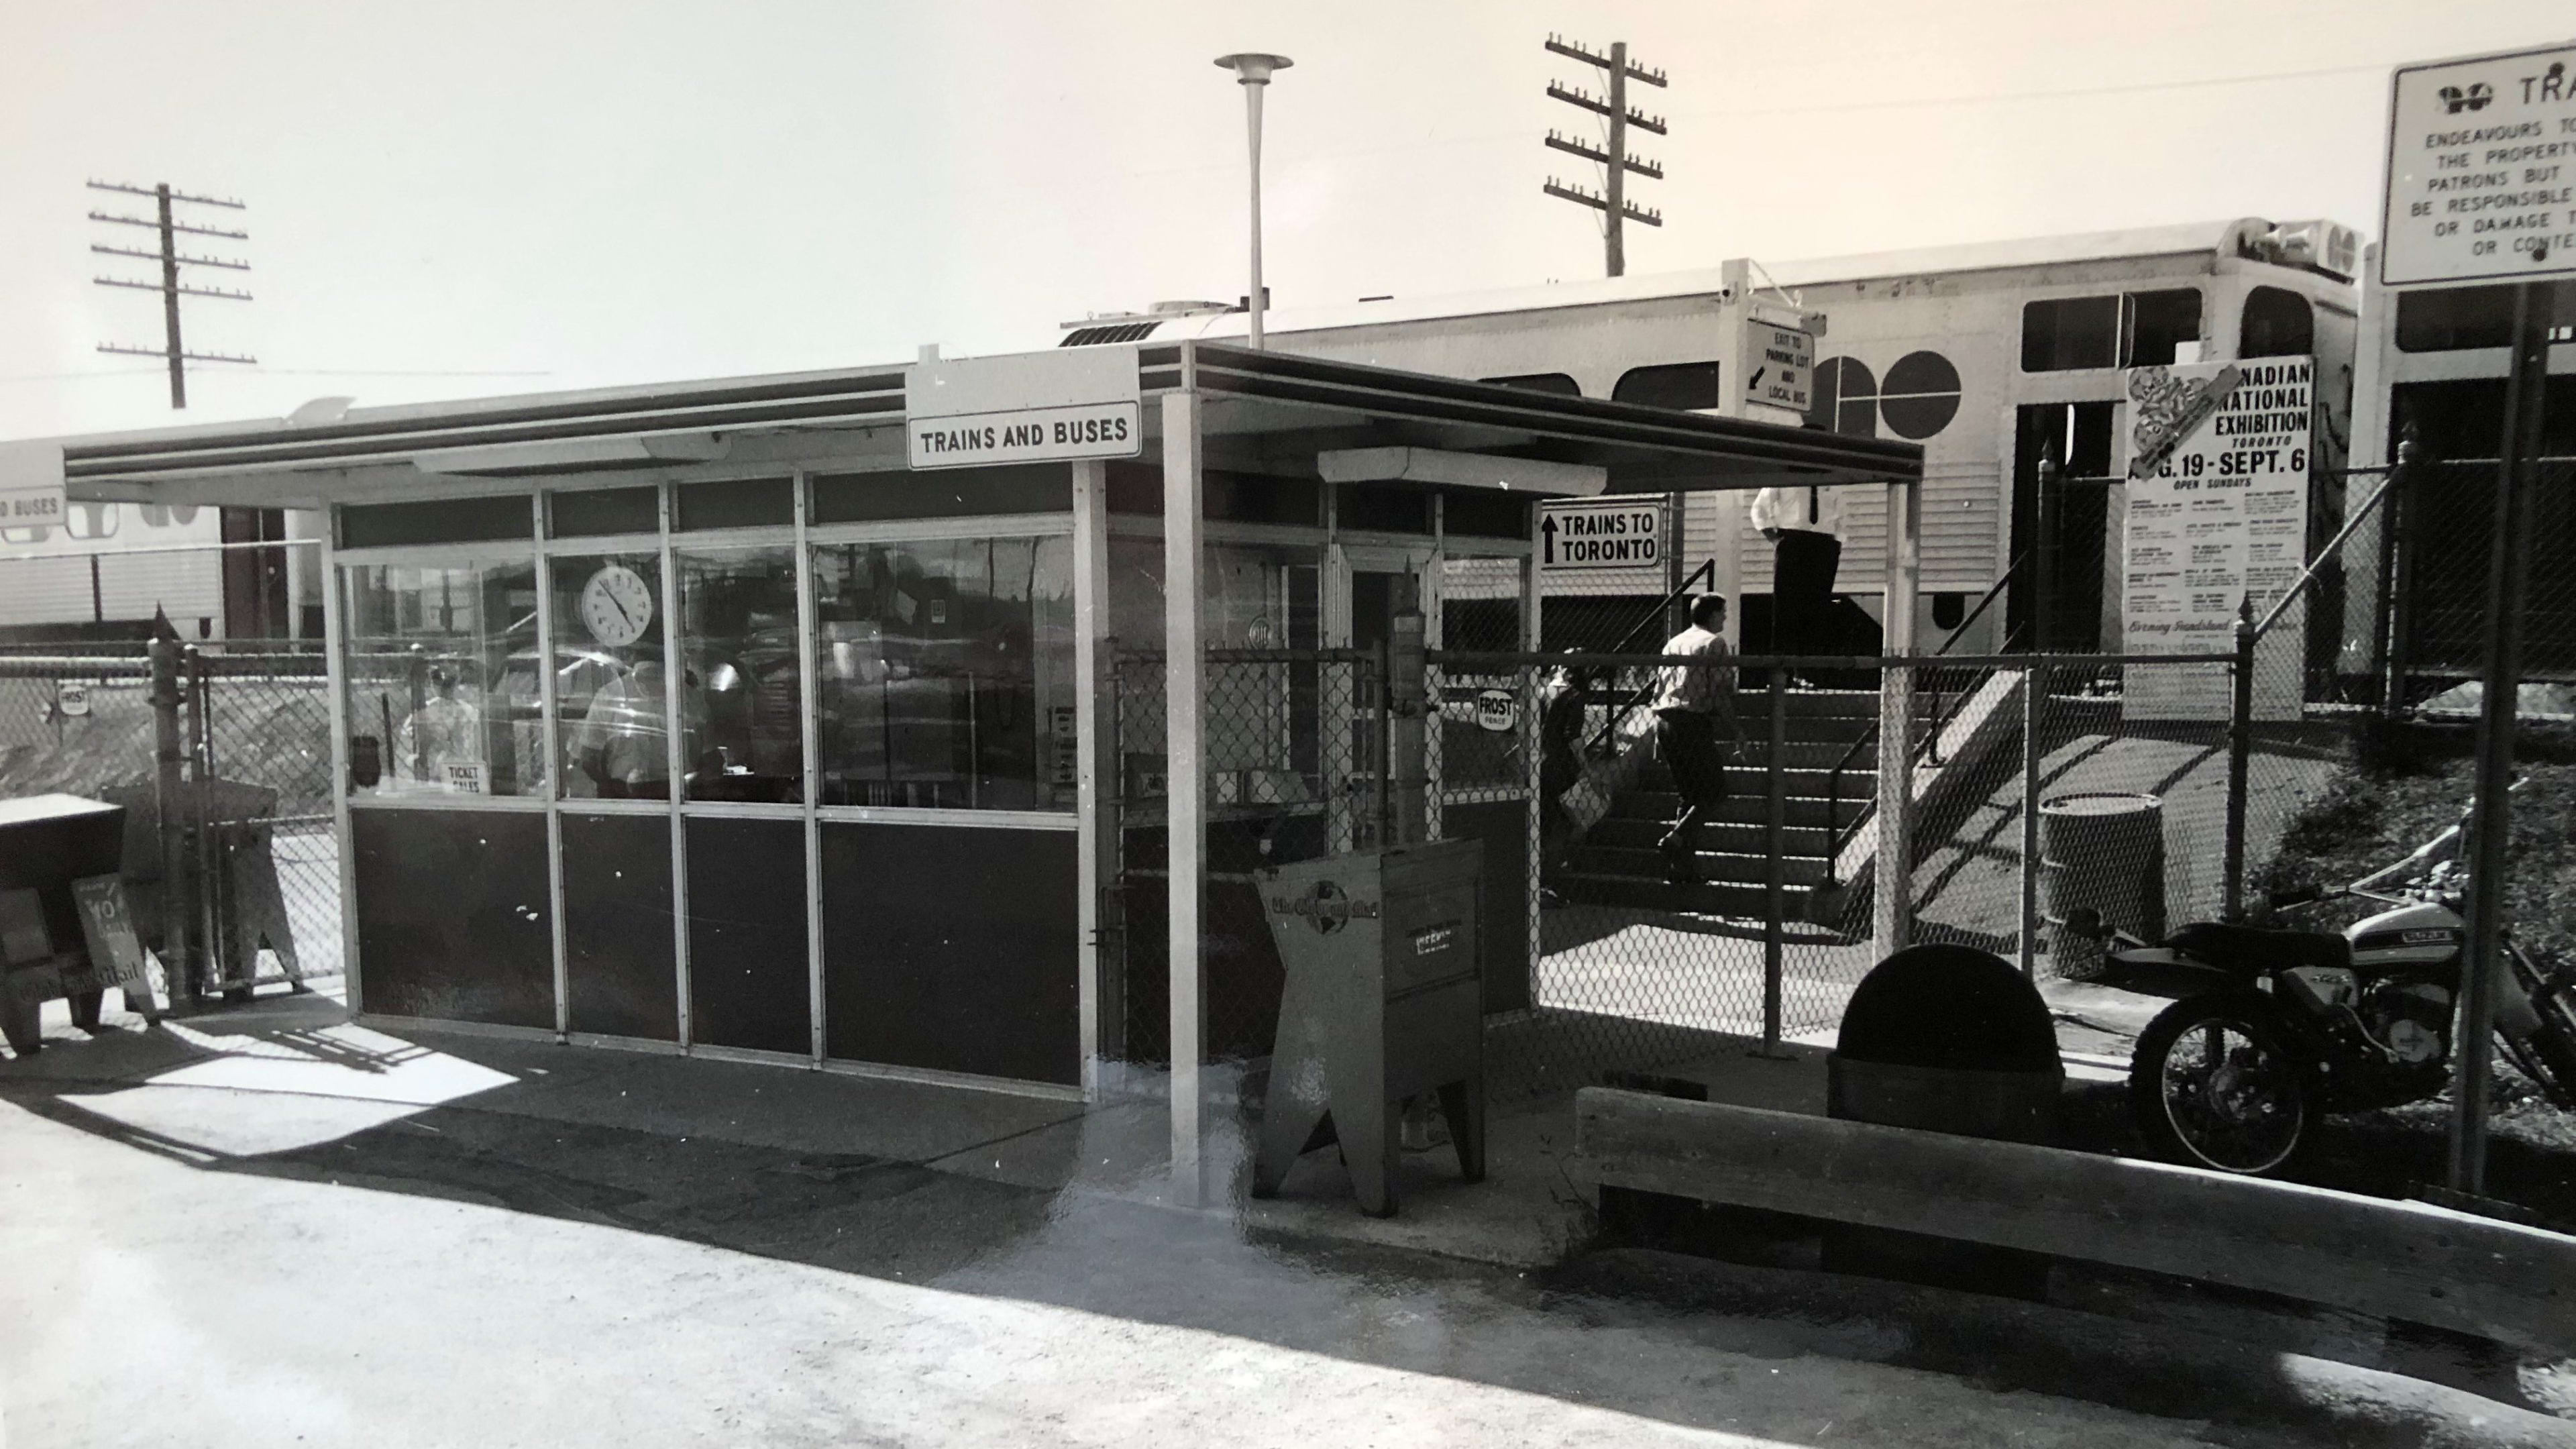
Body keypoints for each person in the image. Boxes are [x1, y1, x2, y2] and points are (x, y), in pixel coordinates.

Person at [1654, 594, 1746, 884]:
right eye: (1723, 613)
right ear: (1712, 615)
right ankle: (1676, 838)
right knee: (1715, 792)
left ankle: (1682, 868)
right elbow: (1719, 692)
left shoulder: (1674, 643)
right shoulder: (1714, 644)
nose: (1726, 619)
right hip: (1692, 722)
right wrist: (1737, 732)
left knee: (1689, 795)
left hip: (1666, 720)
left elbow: (1659, 689)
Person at [1750, 484, 1844, 677]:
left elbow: (1841, 513)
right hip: (1793, 541)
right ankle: (1781, 674)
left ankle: (1809, 673)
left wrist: (1837, 543)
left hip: (1824, 544)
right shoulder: (1786, 479)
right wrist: (1776, 539)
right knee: (1787, 607)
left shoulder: (1832, 481)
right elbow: (1759, 508)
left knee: (1818, 607)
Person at [1536, 652, 1596, 900]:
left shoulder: (1545, 692)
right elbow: (1573, 737)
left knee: (1544, 821)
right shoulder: (1575, 696)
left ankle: (1540, 878)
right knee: (1564, 822)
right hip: (1562, 766)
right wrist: (1587, 768)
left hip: (1542, 761)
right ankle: (1551, 879)